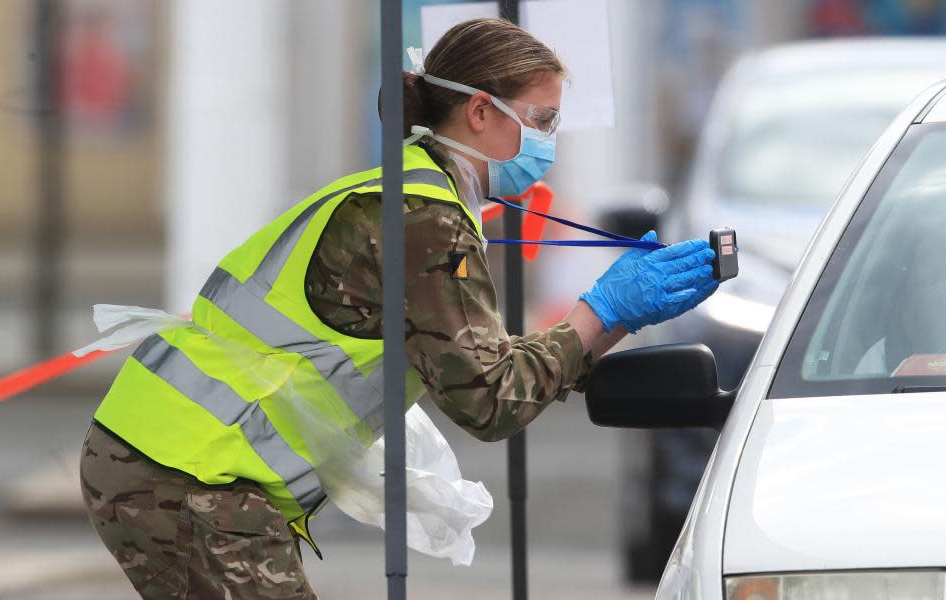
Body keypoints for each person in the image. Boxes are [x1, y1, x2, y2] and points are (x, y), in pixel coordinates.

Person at [79, 17, 718, 600]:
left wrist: (605, 324)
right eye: (542, 120)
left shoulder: (409, 191)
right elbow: (488, 401)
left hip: (172, 457)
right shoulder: (424, 219)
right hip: (189, 470)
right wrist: (604, 311)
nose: (549, 141)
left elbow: (477, 367)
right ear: (479, 112)